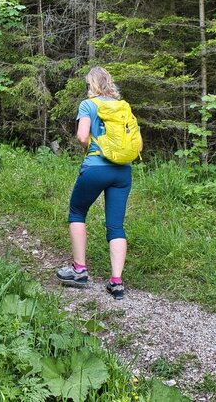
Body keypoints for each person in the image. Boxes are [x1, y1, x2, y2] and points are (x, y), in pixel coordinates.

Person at [56, 67, 141, 300]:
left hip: (96, 167)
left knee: (77, 212)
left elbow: (82, 136)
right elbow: (138, 145)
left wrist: (90, 148)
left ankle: (80, 271)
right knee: (116, 226)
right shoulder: (123, 107)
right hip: (123, 171)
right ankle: (116, 283)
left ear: (91, 84)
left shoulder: (88, 104)